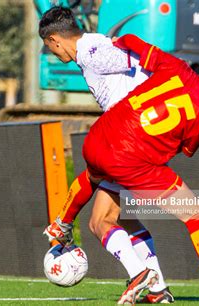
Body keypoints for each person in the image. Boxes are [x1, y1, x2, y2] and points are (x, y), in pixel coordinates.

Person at [39, 7, 173, 304]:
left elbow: (134, 59)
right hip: (144, 135)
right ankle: (158, 289)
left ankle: (139, 273)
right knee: (123, 219)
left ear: (54, 40)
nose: (50, 52)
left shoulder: (91, 51)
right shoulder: (92, 48)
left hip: (131, 136)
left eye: (48, 47)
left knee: (100, 219)